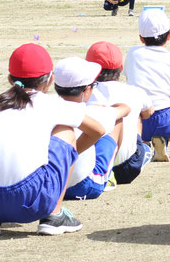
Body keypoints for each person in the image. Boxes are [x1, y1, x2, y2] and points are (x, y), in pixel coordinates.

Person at [0, 44, 106, 236]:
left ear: (10, 79)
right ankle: (54, 215)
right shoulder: (54, 104)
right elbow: (97, 131)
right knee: (66, 131)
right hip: (31, 200)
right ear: (50, 80)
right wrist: (71, 156)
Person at [53, 57, 130, 202]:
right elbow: (125, 109)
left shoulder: (48, 105)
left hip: (53, 183)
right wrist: (104, 108)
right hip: (84, 186)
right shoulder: (93, 113)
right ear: (87, 90)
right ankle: (109, 174)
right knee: (116, 121)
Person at [125, 9, 170, 162]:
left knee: (136, 120)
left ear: (141, 38)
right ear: (169, 35)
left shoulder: (132, 54)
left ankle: (143, 143)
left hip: (139, 119)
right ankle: (162, 140)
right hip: (165, 121)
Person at [86, 41, 154, 185]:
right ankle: (142, 148)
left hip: (92, 168)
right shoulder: (135, 92)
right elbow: (149, 112)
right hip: (126, 168)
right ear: (121, 68)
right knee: (138, 115)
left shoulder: (83, 94)